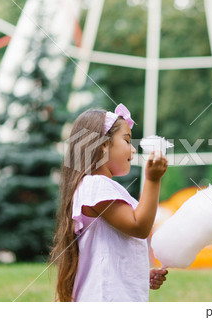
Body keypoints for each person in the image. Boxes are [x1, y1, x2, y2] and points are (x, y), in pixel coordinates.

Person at [50, 104, 169, 302]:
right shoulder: (96, 186)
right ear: (103, 145)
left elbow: (109, 250)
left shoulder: (98, 188)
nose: (132, 149)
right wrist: (153, 180)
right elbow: (139, 227)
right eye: (127, 140)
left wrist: (138, 276)